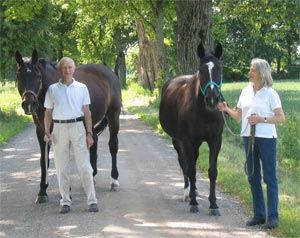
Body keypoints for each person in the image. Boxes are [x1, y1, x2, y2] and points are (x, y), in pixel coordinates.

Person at [218, 58, 285, 229]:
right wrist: (226, 109)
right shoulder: (246, 91)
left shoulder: (271, 93)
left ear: (261, 73)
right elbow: (239, 116)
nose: (250, 73)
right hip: (248, 137)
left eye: (253, 70)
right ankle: (259, 215)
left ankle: (273, 217)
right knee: (252, 176)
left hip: (266, 139)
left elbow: (281, 118)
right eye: (250, 69)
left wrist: (261, 119)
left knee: (269, 178)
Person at [44, 57, 98, 214]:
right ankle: (65, 202)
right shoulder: (52, 89)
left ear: (74, 69)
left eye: (69, 67)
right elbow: (48, 112)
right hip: (59, 129)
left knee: (84, 166)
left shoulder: (82, 88)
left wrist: (89, 133)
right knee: (61, 168)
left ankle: (92, 200)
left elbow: (87, 112)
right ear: (60, 70)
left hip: (78, 127)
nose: (67, 70)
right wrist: (47, 131)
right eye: (64, 68)